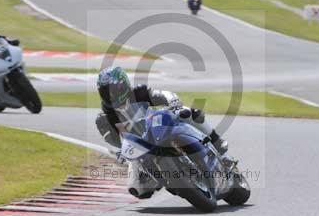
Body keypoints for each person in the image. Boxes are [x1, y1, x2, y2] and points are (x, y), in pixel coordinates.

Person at [95, 66, 228, 154]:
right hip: (139, 147)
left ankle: (216, 141)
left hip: (158, 126)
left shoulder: (139, 92)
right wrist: (121, 151)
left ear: (123, 85)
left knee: (190, 114)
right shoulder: (105, 117)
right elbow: (113, 140)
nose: (111, 96)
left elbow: (160, 95)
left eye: (113, 90)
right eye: (105, 92)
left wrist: (173, 101)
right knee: (137, 188)